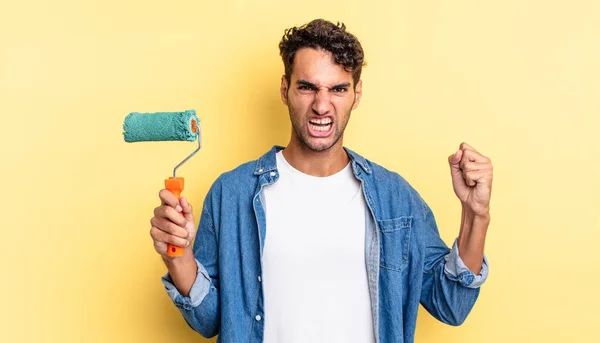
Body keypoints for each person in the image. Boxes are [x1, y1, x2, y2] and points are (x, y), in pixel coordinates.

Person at [149, 19, 493, 343]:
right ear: (285, 90)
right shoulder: (233, 193)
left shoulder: (395, 198)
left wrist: (475, 215)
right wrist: (178, 257)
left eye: (338, 89)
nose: (321, 105)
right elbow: (209, 321)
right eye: (307, 87)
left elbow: (451, 306)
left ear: (356, 95)